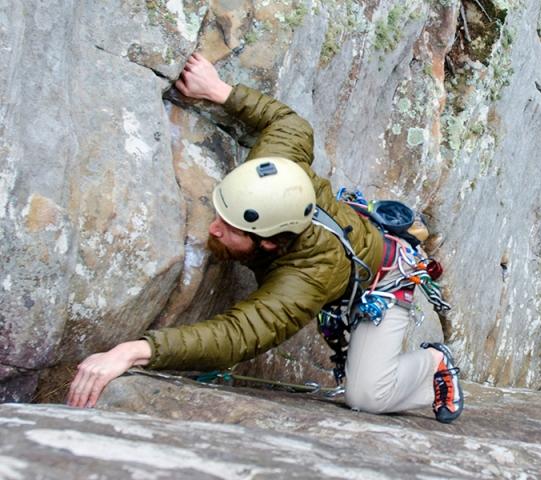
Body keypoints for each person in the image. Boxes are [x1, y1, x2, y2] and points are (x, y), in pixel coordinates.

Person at [67, 53, 464, 424]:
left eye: (231, 229)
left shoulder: (306, 277)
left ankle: (431, 366)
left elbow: (239, 335)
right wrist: (219, 91)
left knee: (367, 396)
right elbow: (291, 126)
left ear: (270, 244)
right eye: (222, 214)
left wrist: (135, 350)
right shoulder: (273, 168)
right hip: (351, 238)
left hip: (386, 279)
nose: (213, 228)